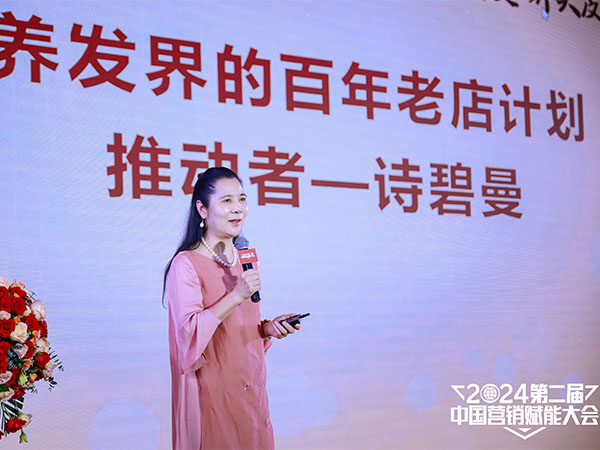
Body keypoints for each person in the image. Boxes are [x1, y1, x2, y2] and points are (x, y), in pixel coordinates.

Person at [163, 167, 300, 450]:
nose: (238, 208)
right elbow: (189, 335)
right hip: (212, 392)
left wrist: (268, 329)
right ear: (202, 209)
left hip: (251, 389)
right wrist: (236, 295)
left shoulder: (246, 258)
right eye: (227, 201)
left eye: (242, 199)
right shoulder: (186, 264)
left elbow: (238, 326)